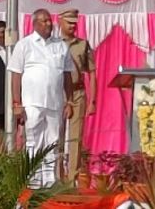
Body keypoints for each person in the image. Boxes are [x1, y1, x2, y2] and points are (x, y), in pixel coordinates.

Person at [9, 9, 74, 187]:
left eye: (50, 20)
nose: (49, 24)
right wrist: (16, 103)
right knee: (33, 141)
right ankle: (33, 180)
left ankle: (49, 181)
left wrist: (69, 101)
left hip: (55, 102)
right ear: (35, 24)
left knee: (53, 142)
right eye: (44, 21)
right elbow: (16, 75)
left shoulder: (61, 45)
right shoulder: (24, 45)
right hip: (32, 103)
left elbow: (67, 75)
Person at [59, 9, 96, 184]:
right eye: (69, 22)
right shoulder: (53, 44)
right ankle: (57, 176)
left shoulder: (83, 45)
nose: (73, 25)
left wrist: (93, 101)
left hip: (78, 93)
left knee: (76, 138)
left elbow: (92, 73)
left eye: (75, 22)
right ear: (60, 22)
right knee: (56, 135)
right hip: (59, 94)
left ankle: (71, 178)